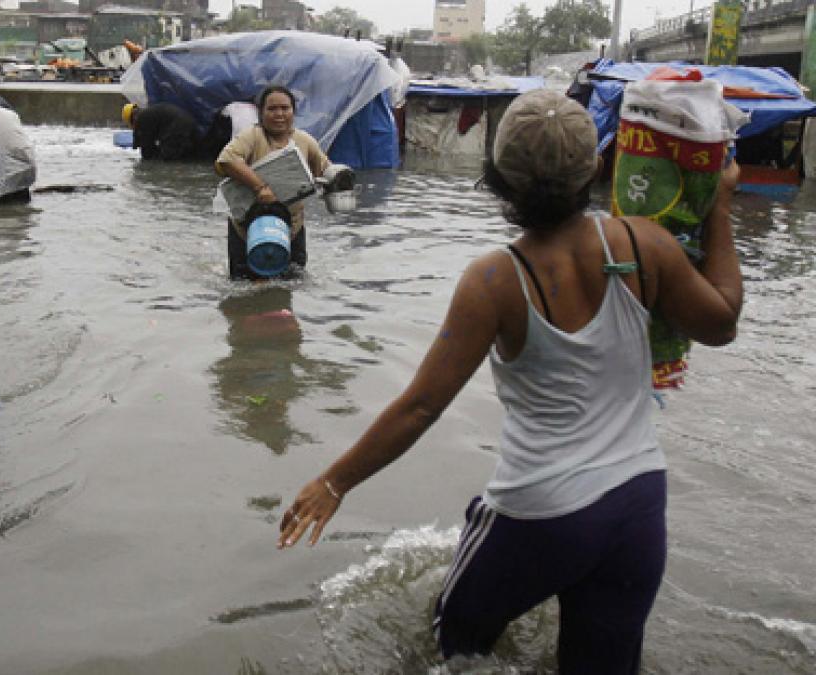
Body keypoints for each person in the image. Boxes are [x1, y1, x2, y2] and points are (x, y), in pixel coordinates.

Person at [276, 90, 743, 672]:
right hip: (637, 505)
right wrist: (719, 205)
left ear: (497, 181)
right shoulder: (644, 243)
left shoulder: (495, 280)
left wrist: (334, 482)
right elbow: (722, 322)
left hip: (540, 513)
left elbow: (421, 408)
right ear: (596, 169)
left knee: (452, 646)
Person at [215, 85, 331, 280]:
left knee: (292, 283)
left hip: (291, 227)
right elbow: (227, 160)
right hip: (247, 226)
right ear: (261, 113)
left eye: (285, 108)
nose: (279, 114)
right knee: (243, 286)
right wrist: (260, 187)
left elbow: (325, 169)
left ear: (293, 111)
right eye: (272, 109)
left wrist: (338, 181)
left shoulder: (304, 140)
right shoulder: (251, 136)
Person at [122, 101, 200, 161]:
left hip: (177, 129)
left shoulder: (142, 118)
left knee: (168, 160)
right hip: (191, 124)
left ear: (133, 119)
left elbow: (146, 149)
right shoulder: (151, 112)